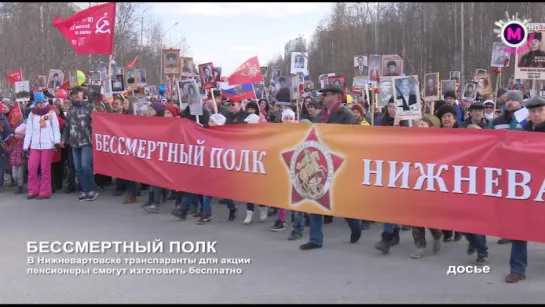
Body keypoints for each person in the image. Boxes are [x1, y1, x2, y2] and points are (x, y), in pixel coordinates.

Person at [301, 85, 361, 250]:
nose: (323, 97)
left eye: (326, 94)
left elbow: (349, 138)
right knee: (315, 199)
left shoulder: (346, 115)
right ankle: (315, 239)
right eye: (323, 94)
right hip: (320, 161)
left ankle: (355, 225)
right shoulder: (320, 116)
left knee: (340, 201)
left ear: (336, 97)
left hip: (339, 162)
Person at [505, 96, 545, 283]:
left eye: (540, 111)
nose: (536, 115)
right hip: (527, 188)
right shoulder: (525, 131)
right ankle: (517, 268)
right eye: (533, 112)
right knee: (519, 227)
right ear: (528, 113)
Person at [62, 86, 98, 201]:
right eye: (74, 94)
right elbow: (67, 125)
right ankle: (84, 190)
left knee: (85, 166)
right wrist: (64, 138)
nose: (76, 95)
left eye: (78, 93)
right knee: (77, 168)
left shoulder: (90, 107)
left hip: (86, 141)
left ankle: (92, 189)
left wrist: (94, 137)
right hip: (74, 142)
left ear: (84, 94)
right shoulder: (71, 109)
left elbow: (96, 125)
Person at [24, 92, 61, 199]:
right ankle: (33, 190)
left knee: (45, 169)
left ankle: (44, 192)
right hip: (35, 145)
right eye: (39, 103)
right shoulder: (32, 114)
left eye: (43, 102)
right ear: (35, 103)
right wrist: (26, 146)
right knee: (31, 168)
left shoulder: (51, 113)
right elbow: (29, 131)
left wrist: (56, 142)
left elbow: (56, 129)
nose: (41, 104)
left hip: (47, 145)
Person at [1, 123, 25, 194]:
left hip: (20, 161)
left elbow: (26, 151)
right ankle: (18, 184)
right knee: (14, 175)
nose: (16, 136)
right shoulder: (13, 142)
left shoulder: (23, 143)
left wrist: (24, 154)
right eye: (16, 134)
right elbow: (9, 149)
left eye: (18, 134)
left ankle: (20, 187)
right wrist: (4, 145)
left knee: (19, 175)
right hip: (13, 162)